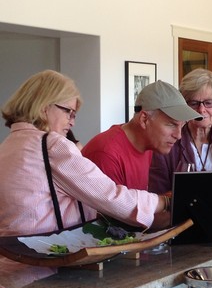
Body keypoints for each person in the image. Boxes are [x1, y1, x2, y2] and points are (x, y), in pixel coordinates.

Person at [0, 70, 173, 237]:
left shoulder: (8, 144)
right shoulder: (53, 145)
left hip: (11, 256)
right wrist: (164, 201)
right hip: (47, 261)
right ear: (44, 106)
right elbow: (111, 197)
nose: (72, 122)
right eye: (69, 112)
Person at [82, 80, 203, 229]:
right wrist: (178, 204)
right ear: (144, 119)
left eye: (182, 125)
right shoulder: (107, 153)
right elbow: (115, 225)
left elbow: (138, 213)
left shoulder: (148, 146)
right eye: (171, 124)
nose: (178, 135)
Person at [148, 68, 212, 213]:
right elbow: (156, 198)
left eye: (208, 102)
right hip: (180, 229)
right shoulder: (167, 145)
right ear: (184, 106)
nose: (201, 110)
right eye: (193, 103)